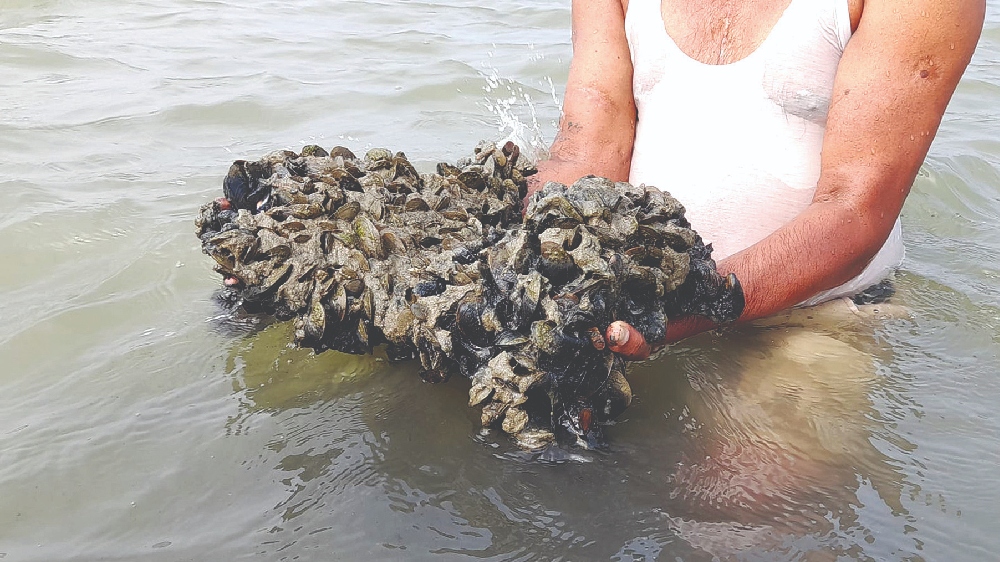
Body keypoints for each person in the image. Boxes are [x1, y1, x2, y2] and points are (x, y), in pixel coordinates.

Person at [527, 0, 984, 359]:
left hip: (819, 317)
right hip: (640, 303)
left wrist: (682, 310)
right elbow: (586, 154)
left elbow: (856, 209)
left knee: (743, 459)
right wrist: (506, 229)